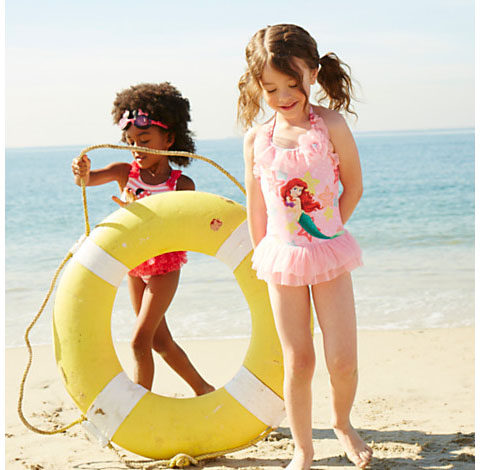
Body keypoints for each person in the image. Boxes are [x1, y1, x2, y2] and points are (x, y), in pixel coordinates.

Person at [238, 24, 372, 469]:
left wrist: (326, 235)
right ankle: (303, 448)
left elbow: (353, 186)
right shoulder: (257, 139)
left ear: (312, 73)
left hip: (329, 252)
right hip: (281, 259)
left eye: (292, 84)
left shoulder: (331, 125)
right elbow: (256, 207)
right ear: (257, 85)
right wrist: (265, 259)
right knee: (298, 360)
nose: (283, 96)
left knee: (343, 358)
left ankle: (342, 422)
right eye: (270, 88)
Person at [72, 82, 214, 395]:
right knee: (160, 342)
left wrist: (144, 214)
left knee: (139, 341)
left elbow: (184, 229)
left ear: (170, 139)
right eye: (131, 142)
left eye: (145, 140)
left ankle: (139, 402)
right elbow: (86, 181)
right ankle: (204, 389)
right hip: (134, 266)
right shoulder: (125, 172)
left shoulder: (181, 184)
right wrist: (81, 170)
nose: (136, 148)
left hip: (164, 268)